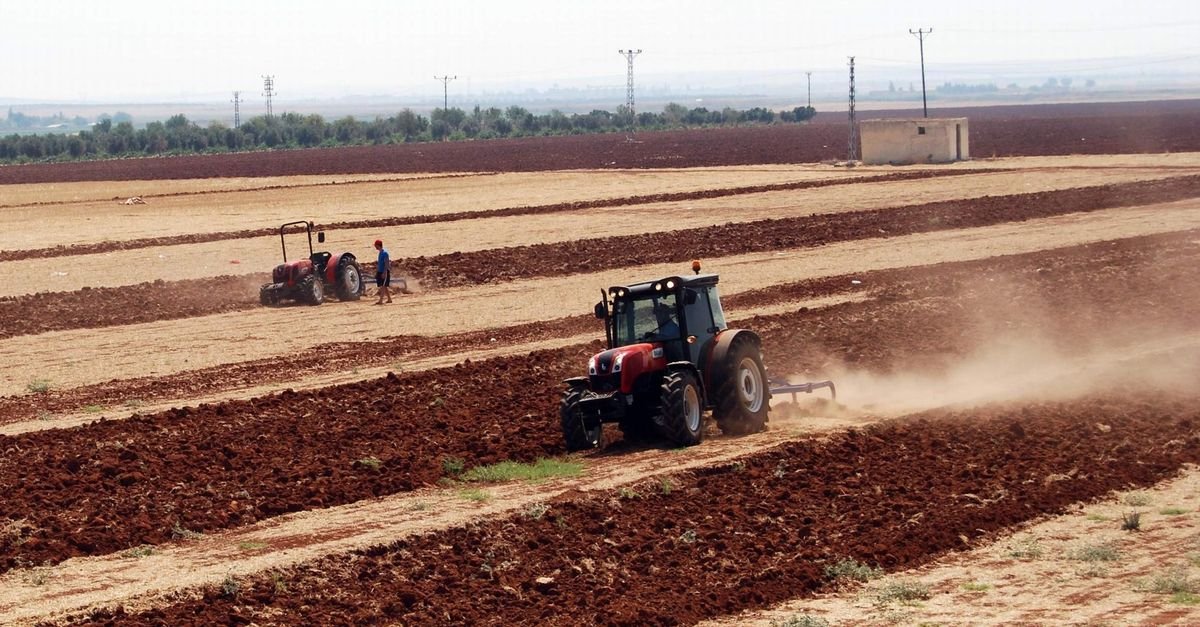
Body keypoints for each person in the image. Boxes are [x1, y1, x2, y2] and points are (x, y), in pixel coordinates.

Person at [373, 239, 393, 305]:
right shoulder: (380, 252)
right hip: (380, 271)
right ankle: (389, 299)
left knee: (383, 286)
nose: (375, 247)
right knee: (384, 286)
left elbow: (386, 263)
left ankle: (380, 300)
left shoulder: (385, 253)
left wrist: (384, 272)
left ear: (378, 245)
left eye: (375, 245)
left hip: (384, 271)